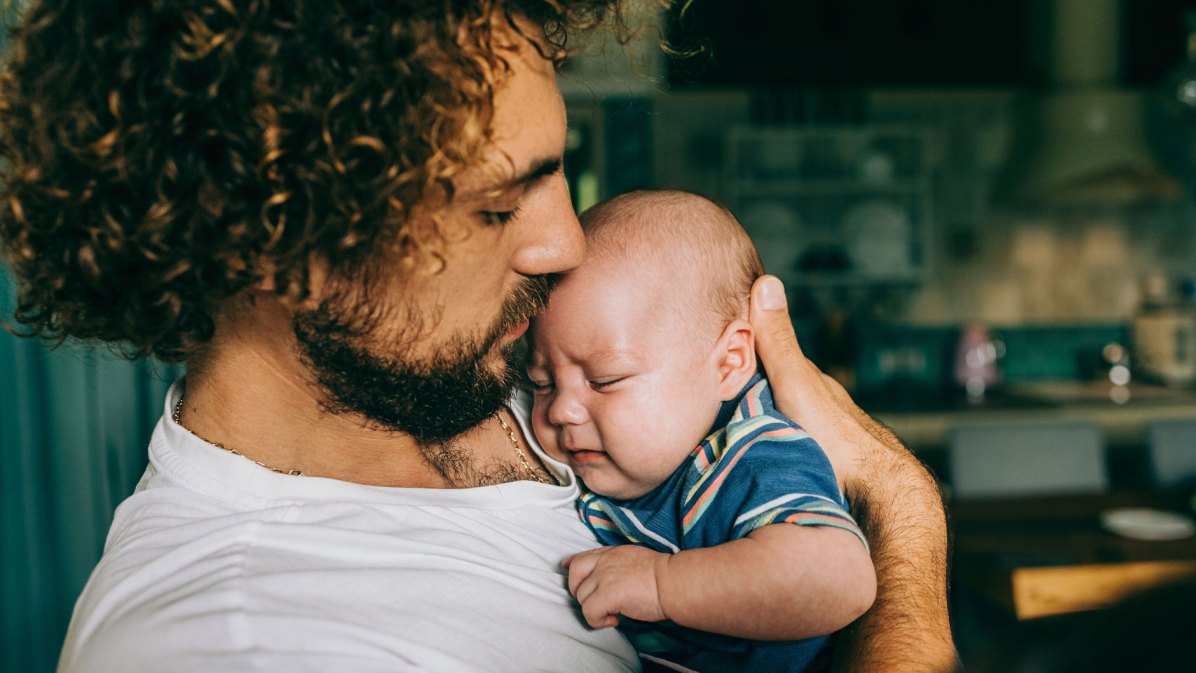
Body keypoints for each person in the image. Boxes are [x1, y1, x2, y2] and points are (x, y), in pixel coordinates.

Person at [0, 1, 956, 671]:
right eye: (500, 204)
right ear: (273, 241)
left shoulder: (480, 367)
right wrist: (898, 504)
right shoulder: (247, 639)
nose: (566, 242)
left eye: (559, 174)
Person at [526, 190, 877, 672]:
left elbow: (839, 578)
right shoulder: (624, 461)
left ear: (729, 362)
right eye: (542, 382)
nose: (562, 409)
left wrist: (661, 584)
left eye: (604, 380)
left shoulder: (747, 454)